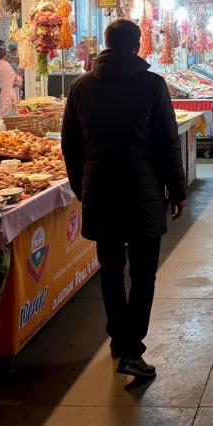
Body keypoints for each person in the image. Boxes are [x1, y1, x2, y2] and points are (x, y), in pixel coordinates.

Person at [61, 19, 187, 381]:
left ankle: (119, 337)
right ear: (138, 45)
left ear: (106, 42)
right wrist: (176, 191)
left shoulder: (81, 86)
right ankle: (132, 348)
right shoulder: (152, 85)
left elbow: (70, 144)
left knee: (111, 269)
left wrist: (80, 186)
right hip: (143, 191)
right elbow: (167, 143)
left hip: (100, 190)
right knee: (144, 270)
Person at [0, 46, 19, 119]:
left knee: (2, 113)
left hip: (3, 92)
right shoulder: (7, 64)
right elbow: (15, 79)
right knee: (10, 113)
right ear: (5, 56)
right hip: (10, 91)